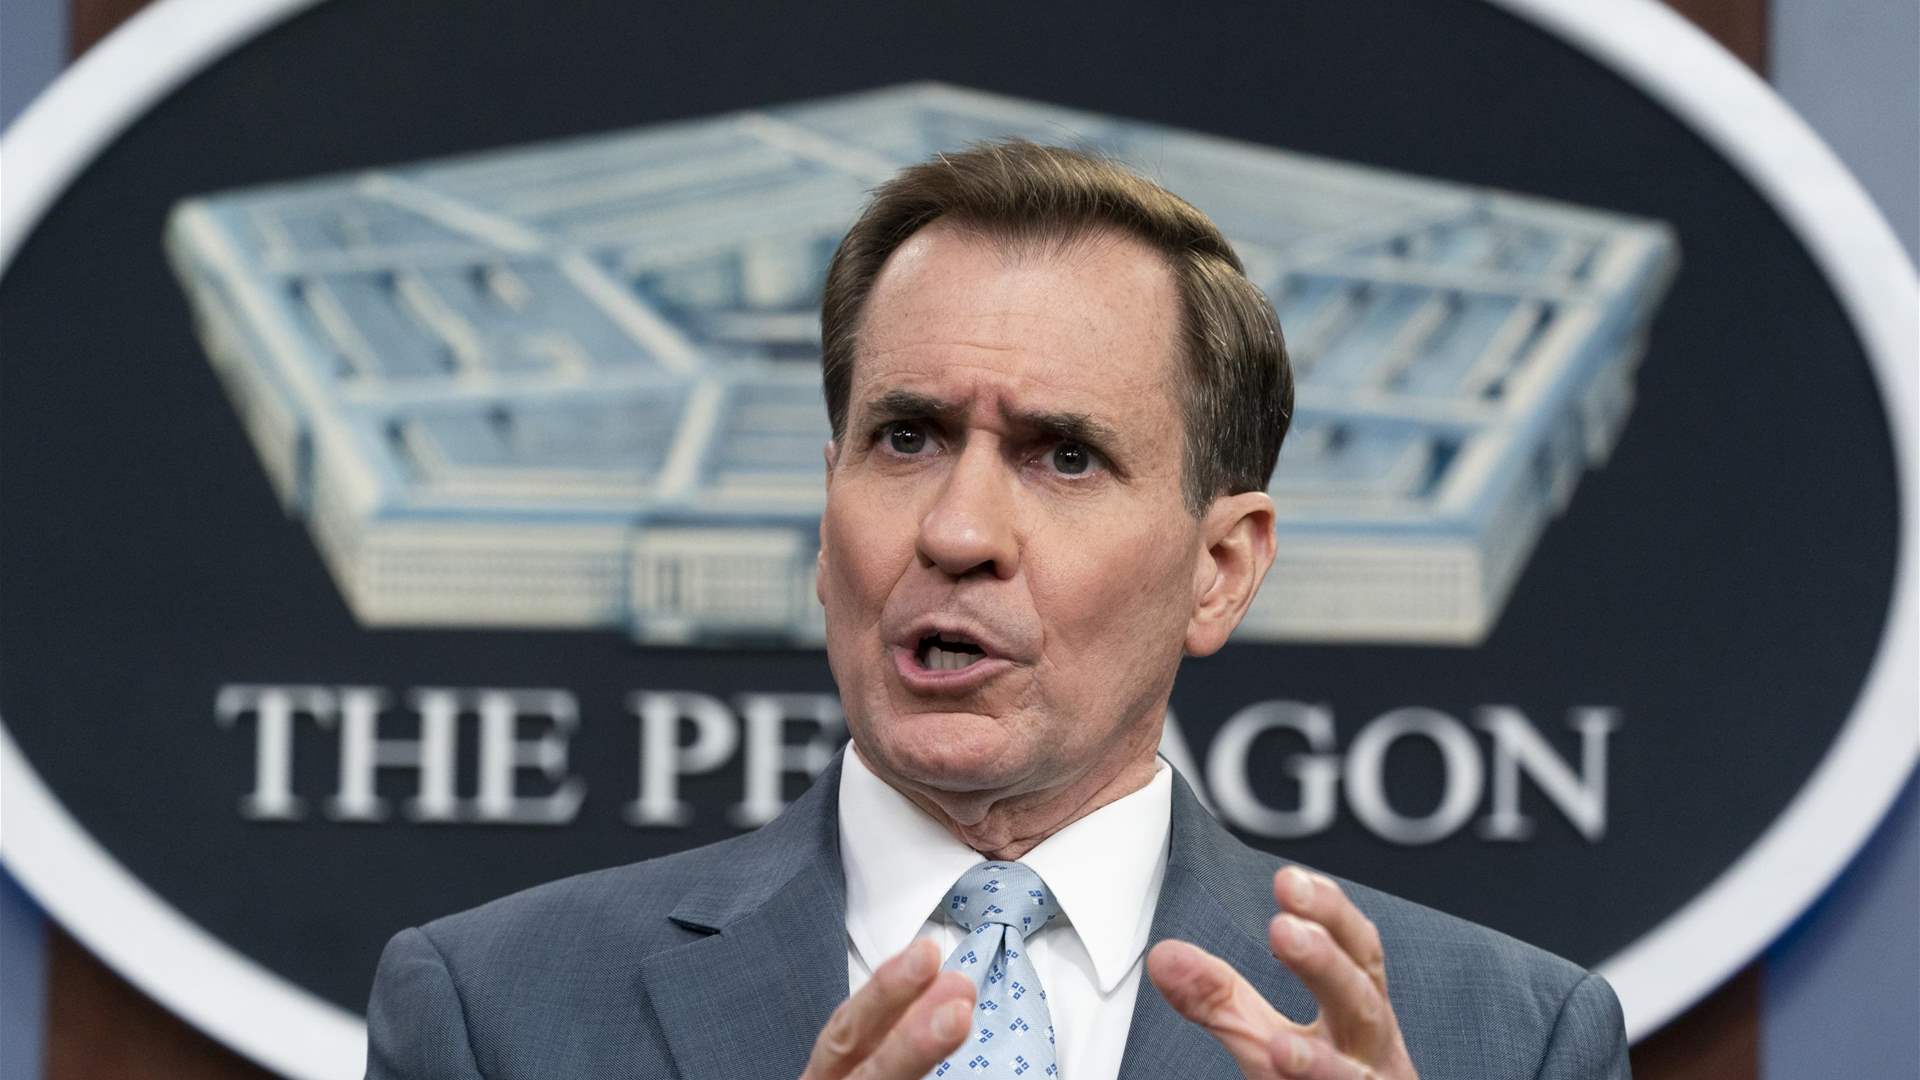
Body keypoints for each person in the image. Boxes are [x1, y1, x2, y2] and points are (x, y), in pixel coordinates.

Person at [365, 141, 1630, 1080]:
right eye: (906, 438)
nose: (957, 532)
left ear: (1222, 567)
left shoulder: (1507, 1040)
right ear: (827, 517)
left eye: (1064, 456)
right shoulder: (496, 1010)